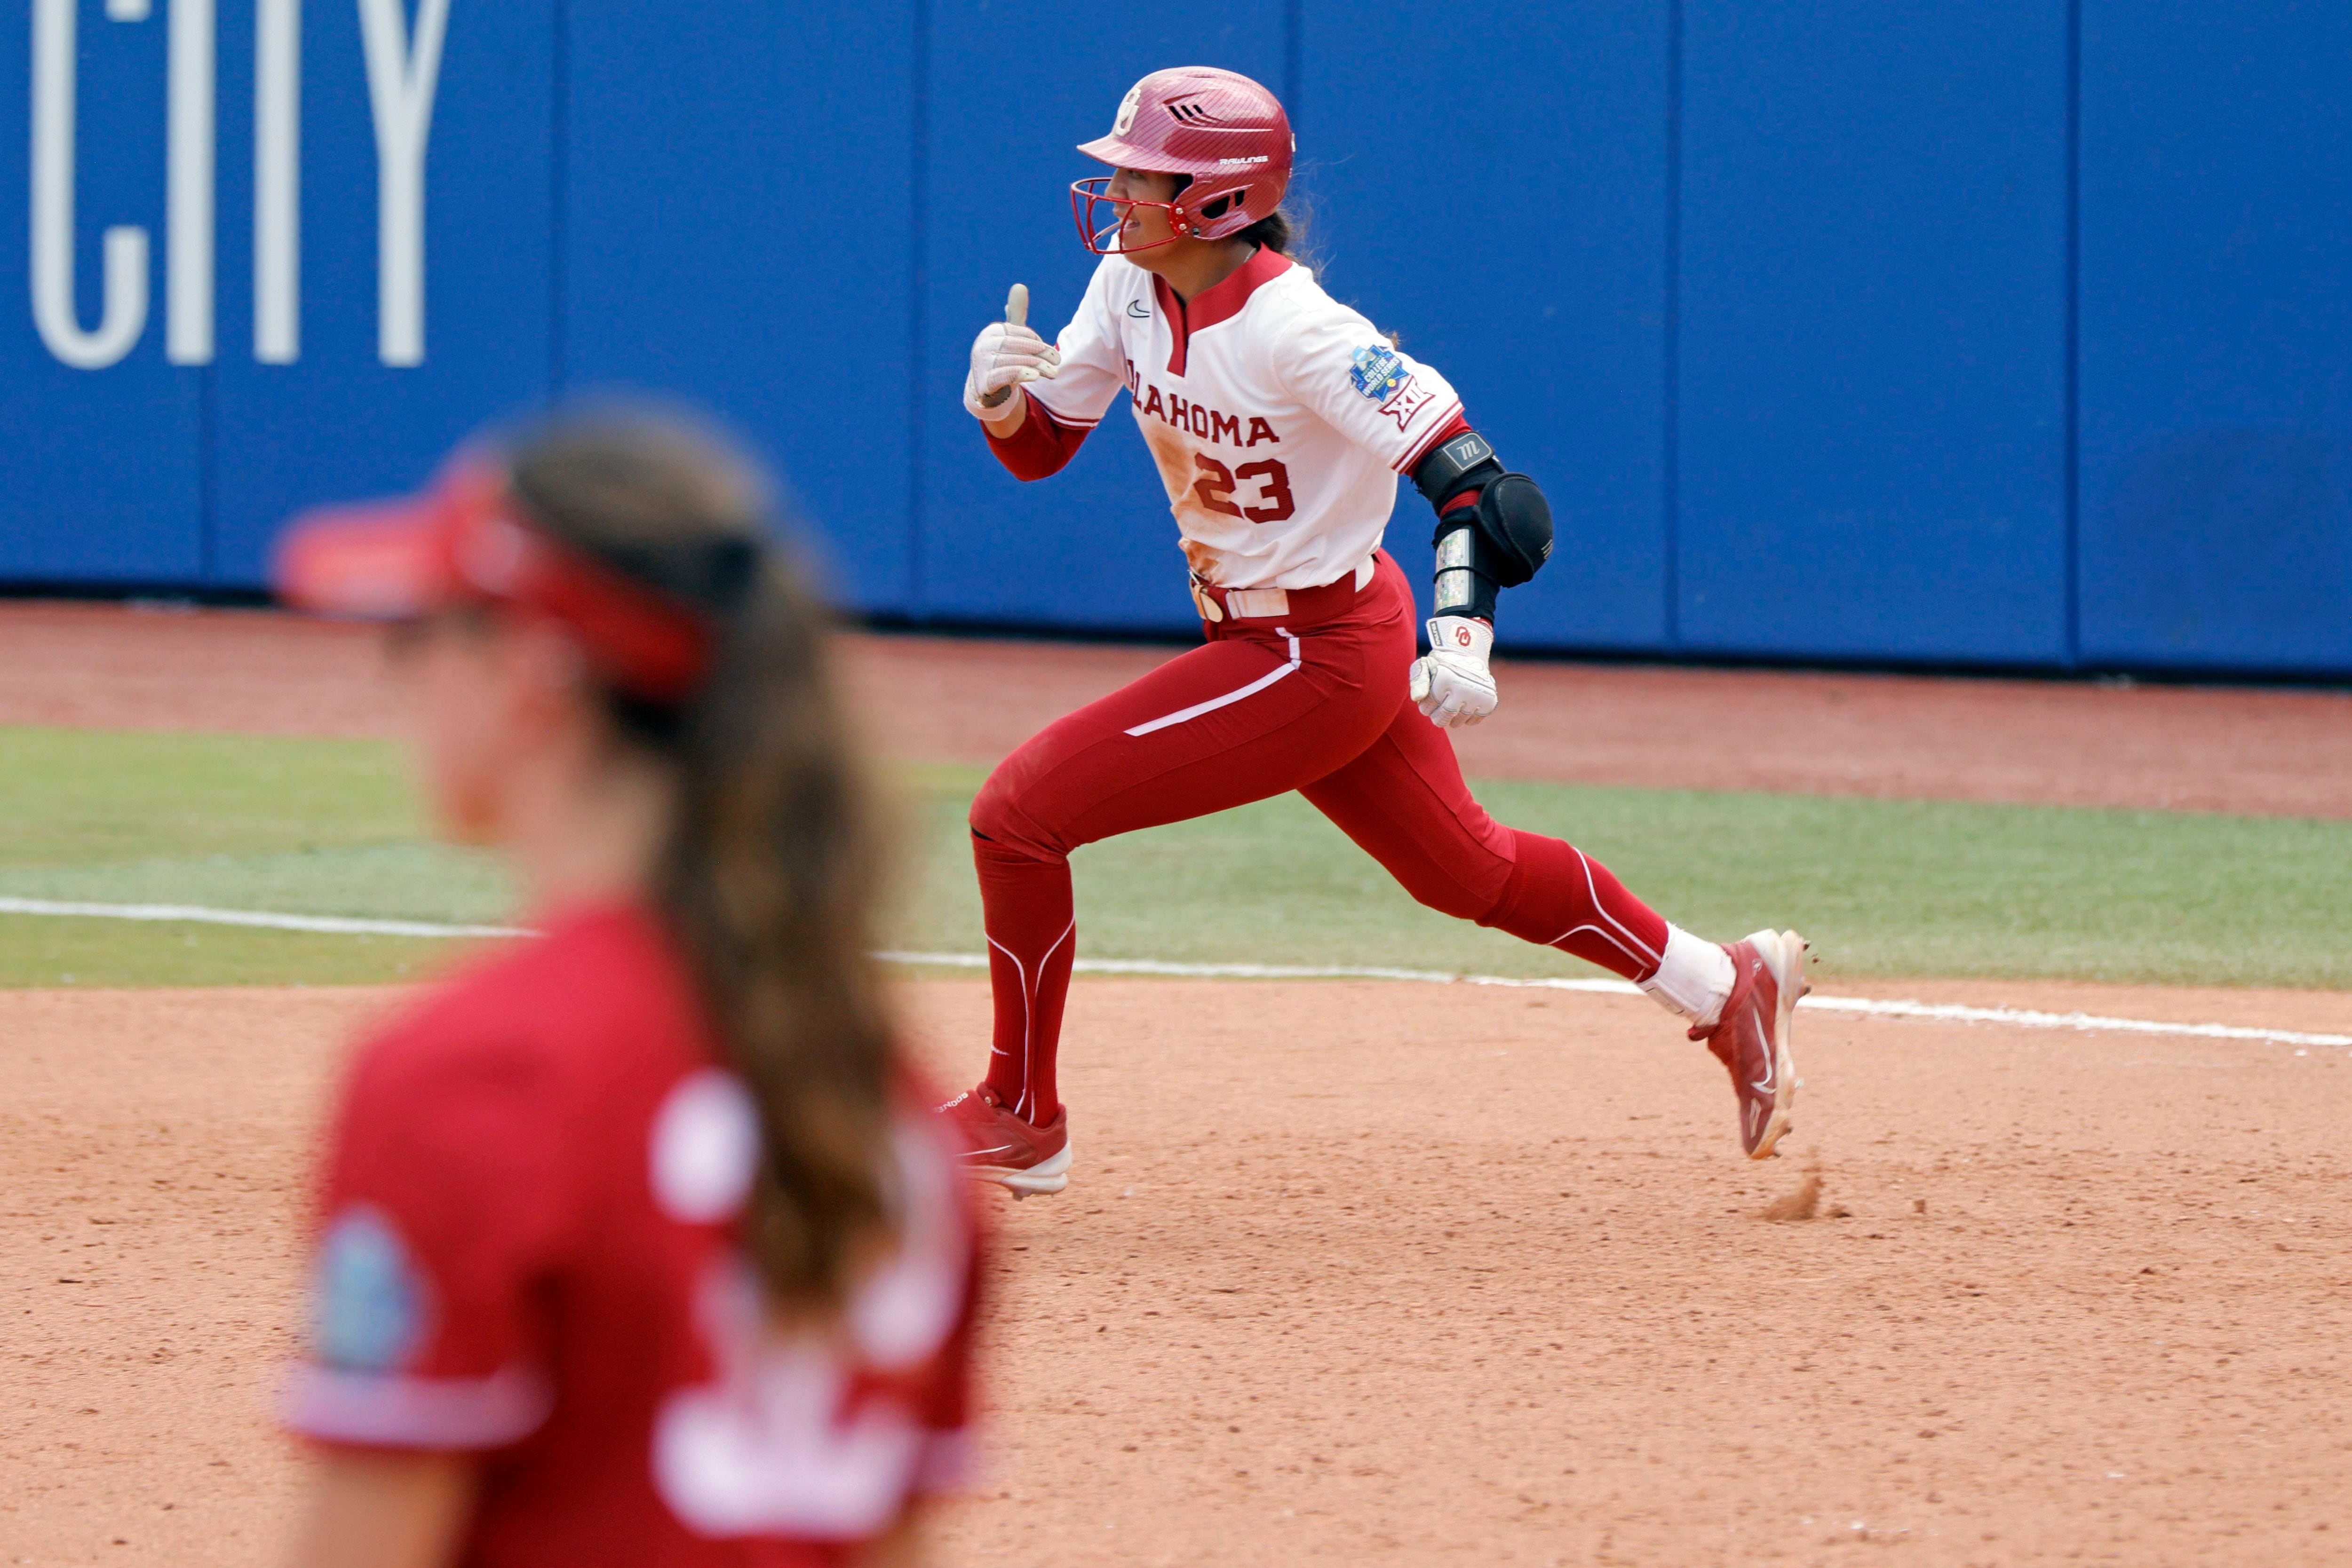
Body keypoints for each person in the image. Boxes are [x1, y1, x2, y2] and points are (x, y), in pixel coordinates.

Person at [943, 66, 1809, 1198]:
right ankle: (1722, 983)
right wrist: (1003, 400)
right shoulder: (1125, 284)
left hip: (1313, 653)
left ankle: (1022, 1111)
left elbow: (1484, 491)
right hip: (1289, 637)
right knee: (1474, 871)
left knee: (1017, 817)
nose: (1115, 195)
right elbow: (1046, 442)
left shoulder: (1301, 329)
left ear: (1216, 196)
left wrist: (1464, 628)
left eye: (1141, 175)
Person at [270, 415, 977, 1567]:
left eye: (418, 632)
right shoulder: (880, 1099)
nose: (394, 672)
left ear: (533, 671)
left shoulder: (468, 1072)